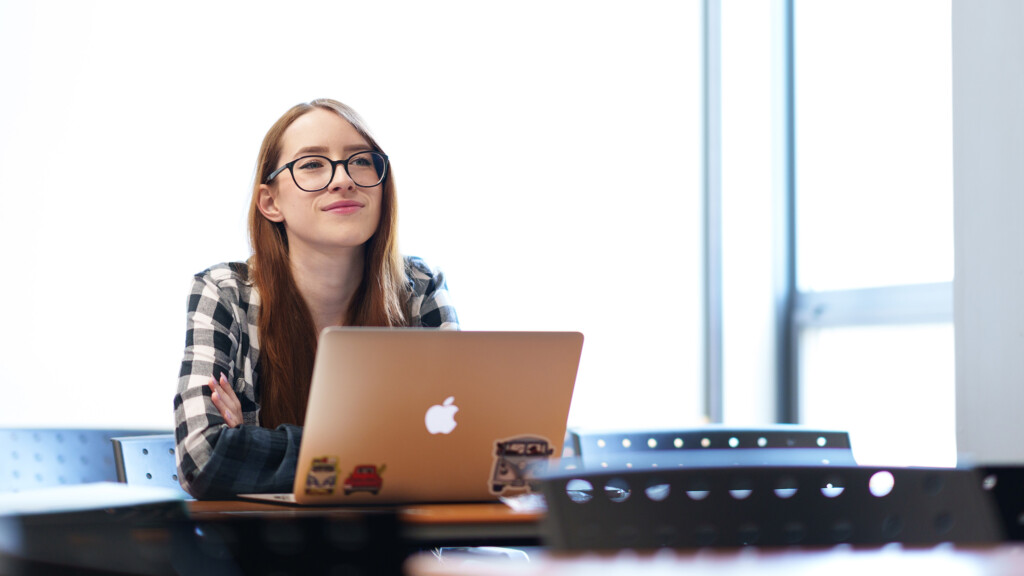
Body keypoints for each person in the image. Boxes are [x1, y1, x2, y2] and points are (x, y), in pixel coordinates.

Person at [173, 99, 459, 499]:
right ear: (270, 202)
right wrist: (390, 448)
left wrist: (253, 444)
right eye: (311, 164)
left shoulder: (421, 287)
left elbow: (459, 450)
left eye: (361, 161)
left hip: (398, 550)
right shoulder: (224, 291)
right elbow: (203, 457)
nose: (343, 179)